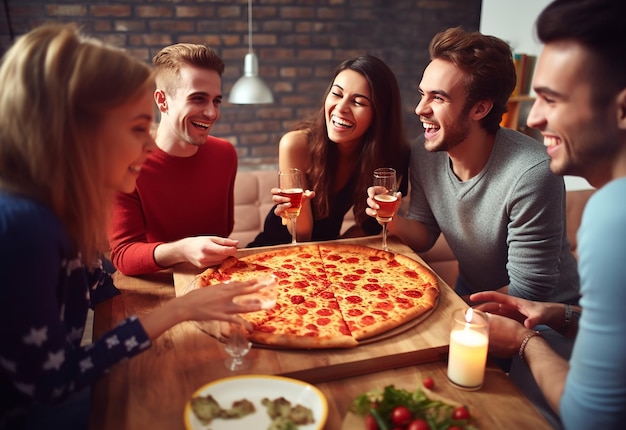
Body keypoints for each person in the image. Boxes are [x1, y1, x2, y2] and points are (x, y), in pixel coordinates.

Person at [0, 24, 266, 429]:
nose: (148, 143)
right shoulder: (25, 225)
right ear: (78, 132)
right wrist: (179, 309)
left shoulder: (63, 208)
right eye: (137, 127)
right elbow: (53, 385)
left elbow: (104, 286)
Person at [470, 0, 626, 428]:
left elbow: (590, 417)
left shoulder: (613, 213)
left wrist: (524, 341)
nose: (534, 118)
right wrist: (564, 314)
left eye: (551, 100)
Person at [367, 26, 580, 305]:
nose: (420, 109)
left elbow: (529, 291)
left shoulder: (533, 172)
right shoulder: (425, 150)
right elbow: (425, 233)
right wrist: (394, 220)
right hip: (470, 299)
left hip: (543, 319)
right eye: (423, 94)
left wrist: (447, 308)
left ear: (480, 109)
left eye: (438, 98)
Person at [248, 55, 410, 247]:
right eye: (337, 94)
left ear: (379, 115)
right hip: (276, 249)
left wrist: (340, 248)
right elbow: (302, 236)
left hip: (326, 257)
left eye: (358, 102)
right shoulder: (295, 145)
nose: (341, 108)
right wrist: (292, 211)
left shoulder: (393, 155)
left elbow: (372, 227)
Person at [108, 42, 239, 276]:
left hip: (215, 280)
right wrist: (181, 250)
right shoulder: (124, 163)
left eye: (216, 100)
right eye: (198, 99)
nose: (212, 113)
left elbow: (225, 230)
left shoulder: (226, 154)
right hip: (159, 284)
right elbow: (123, 255)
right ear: (162, 100)